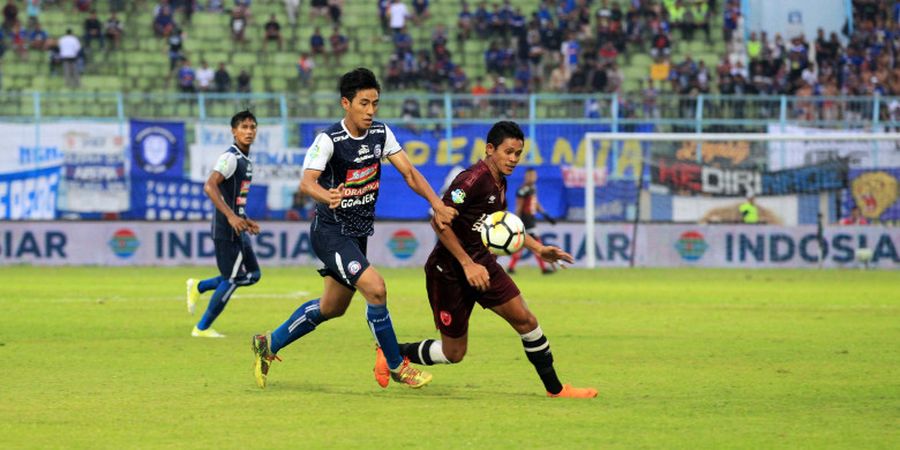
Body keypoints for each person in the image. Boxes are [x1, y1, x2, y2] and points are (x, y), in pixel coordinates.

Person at [250, 68, 458, 389]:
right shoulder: (329, 140)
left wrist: (436, 202)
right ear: (345, 103)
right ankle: (396, 365)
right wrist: (326, 194)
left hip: (357, 233)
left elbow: (410, 173)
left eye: (375, 103)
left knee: (332, 307)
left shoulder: (380, 133)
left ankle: (268, 343)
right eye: (364, 103)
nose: (371, 110)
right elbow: (307, 183)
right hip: (330, 231)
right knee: (376, 288)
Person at [378, 121, 596, 398]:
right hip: (449, 272)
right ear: (490, 149)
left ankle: (557, 389)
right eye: (508, 152)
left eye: (518, 153)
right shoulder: (470, 181)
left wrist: (538, 248)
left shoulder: (499, 181)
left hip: (484, 265)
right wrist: (467, 264)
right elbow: (439, 222)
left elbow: (500, 225)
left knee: (526, 321)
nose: (514, 159)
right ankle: (390, 352)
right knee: (453, 353)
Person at [185, 110, 262, 338]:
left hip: (237, 227)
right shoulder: (230, 158)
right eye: (243, 127)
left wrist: (243, 219)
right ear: (234, 131)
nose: (248, 131)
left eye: (252, 127)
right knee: (233, 278)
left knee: (253, 275)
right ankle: (202, 328)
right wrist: (231, 217)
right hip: (226, 229)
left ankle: (199, 286)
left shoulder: (245, 160)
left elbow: (234, 197)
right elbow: (210, 186)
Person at [507, 167, 555, 275]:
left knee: (522, 245)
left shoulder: (533, 188)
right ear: (526, 176)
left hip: (531, 219)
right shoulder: (522, 190)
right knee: (537, 244)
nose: (533, 177)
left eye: (534, 175)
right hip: (526, 220)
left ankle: (511, 267)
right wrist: (516, 220)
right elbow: (518, 206)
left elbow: (535, 203)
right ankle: (543, 268)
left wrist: (545, 215)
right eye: (530, 175)